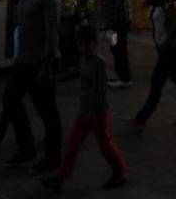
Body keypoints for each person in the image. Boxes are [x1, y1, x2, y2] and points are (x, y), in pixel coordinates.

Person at [41, 25, 127, 193]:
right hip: (85, 111)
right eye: (81, 44)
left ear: (94, 43)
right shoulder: (84, 60)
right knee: (73, 144)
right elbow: (75, 73)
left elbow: (100, 91)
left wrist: (93, 112)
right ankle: (60, 178)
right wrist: (54, 78)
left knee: (104, 145)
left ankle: (120, 170)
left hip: (97, 113)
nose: (84, 47)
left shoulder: (98, 63)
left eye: (87, 43)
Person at [0, 0, 62, 170]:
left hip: (40, 62)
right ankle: (26, 147)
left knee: (47, 111)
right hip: (24, 59)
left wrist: (48, 65)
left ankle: (52, 158)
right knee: (10, 100)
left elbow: (52, 31)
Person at [99, 0, 133, 89]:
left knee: (118, 49)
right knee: (119, 48)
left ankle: (124, 78)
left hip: (117, 21)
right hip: (125, 18)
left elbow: (114, 3)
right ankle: (122, 75)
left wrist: (108, 23)